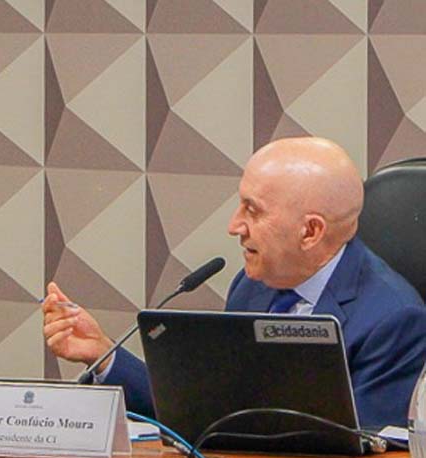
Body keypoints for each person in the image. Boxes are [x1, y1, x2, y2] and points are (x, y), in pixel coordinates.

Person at [43, 137, 426, 428]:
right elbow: (212, 415)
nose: (234, 226)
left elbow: (365, 456)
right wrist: (103, 353)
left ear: (310, 231)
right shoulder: (252, 286)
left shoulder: (394, 320)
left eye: (252, 211)